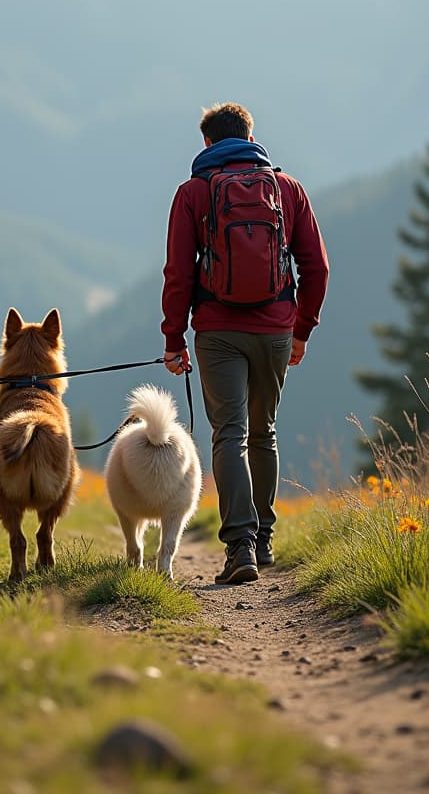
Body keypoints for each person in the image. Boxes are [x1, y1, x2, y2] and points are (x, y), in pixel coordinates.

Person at [161, 103, 329, 585]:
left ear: (208, 145)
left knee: (228, 434)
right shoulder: (287, 189)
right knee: (264, 432)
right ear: (251, 136)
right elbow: (316, 267)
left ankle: (241, 548)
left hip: (217, 329)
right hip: (277, 328)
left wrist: (174, 339)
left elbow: (179, 273)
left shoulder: (193, 193)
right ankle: (266, 540)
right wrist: (302, 329)